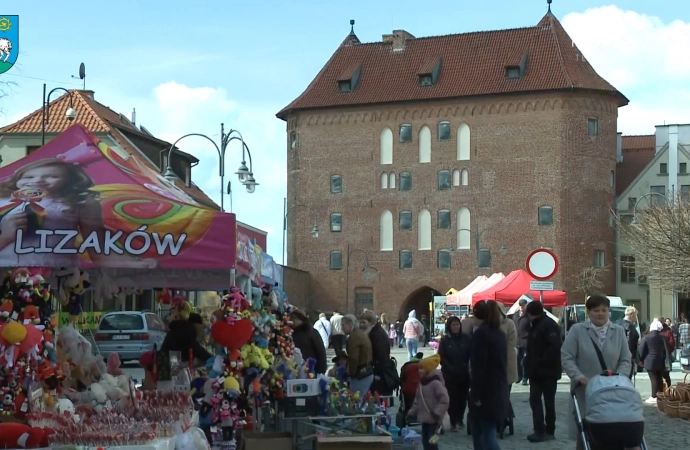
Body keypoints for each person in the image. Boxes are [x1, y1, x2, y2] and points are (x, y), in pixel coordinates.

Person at [0, 158, 156, 268]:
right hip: (6, 274)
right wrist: (5, 236)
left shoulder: (80, 203)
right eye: (29, 176)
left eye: (52, 176)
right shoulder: (3, 202)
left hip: (54, 276)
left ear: (70, 181)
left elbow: (98, 248)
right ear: (17, 180)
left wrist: (133, 263)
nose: (38, 180)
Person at [561, 295, 631, 450]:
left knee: (612, 431)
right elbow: (567, 356)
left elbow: (626, 359)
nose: (600, 313)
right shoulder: (578, 330)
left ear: (609, 312)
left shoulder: (618, 331)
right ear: (589, 312)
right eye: (596, 310)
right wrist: (579, 377)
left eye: (604, 310)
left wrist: (620, 378)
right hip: (586, 391)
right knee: (586, 432)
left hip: (613, 391)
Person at [469, 300, 508, 450]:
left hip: (486, 392)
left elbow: (479, 366)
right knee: (484, 430)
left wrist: (476, 394)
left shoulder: (482, 334)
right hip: (498, 388)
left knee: (485, 432)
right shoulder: (499, 333)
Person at [524, 301, 562, 442]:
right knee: (536, 400)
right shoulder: (536, 325)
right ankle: (539, 429)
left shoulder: (548, 325)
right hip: (536, 371)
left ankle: (548, 430)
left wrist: (537, 362)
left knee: (548, 402)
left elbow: (553, 348)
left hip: (547, 371)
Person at [406, 354, 449, 450]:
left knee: (431, 442)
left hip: (434, 419)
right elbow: (417, 401)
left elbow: (444, 400)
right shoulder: (421, 384)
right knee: (425, 441)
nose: (419, 371)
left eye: (421, 368)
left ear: (428, 370)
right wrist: (411, 412)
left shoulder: (436, 383)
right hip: (425, 419)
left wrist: (437, 412)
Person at [438, 315, 471, 431]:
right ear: (449, 326)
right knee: (452, 398)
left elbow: (470, 354)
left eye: (457, 324)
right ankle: (453, 420)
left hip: (464, 373)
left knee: (463, 398)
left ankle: (460, 419)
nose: (456, 327)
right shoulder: (445, 340)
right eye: (453, 325)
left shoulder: (466, 338)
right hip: (450, 374)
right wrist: (450, 367)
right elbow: (441, 356)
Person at [360, 310, 393, 395]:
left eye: (364, 322)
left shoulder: (377, 334)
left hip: (380, 372)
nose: (361, 325)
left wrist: (377, 373)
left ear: (370, 322)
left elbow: (381, 355)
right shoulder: (375, 331)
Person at [342, 314, 374, 398]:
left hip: (360, 375)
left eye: (343, 325)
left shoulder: (354, 337)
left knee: (356, 401)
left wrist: (351, 374)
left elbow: (353, 358)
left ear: (350, 324)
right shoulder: (360, 334)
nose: (342, 328)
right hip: (367, 371)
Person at [639, 319, 669, 403]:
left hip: (650, 361)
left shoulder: (647, 337)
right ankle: (660, 394)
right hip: (660, 360)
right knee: (659, 378)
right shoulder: (663, 337)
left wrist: (640, 359)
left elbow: (642, 350)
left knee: (653, 379)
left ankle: (654, 396)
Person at [290, 309, 327, 374]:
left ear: (300, 319)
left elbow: (320, 351)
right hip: (295, 369)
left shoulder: (311, 332)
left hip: (311, 369)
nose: (291, 321)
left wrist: (321, 370)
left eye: (294, 318)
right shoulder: (291, 333)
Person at [400, 352, 424, 419]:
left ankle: (408, 413)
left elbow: (402, 379)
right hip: (422, 391)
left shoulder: (406, 366)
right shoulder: (424, 366)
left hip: (409, 392)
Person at [513, 299, 530, 385]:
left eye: (523, 305)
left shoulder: (529, 316)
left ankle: (525, 377)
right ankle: (519, 376)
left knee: (525, 361)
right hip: (517, 341)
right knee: (517, 360)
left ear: (526, 305)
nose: (521, 307)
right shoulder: (515, 315)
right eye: (520, 305)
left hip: (526, 341)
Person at [623, 306, 640, 379]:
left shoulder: (618, 323)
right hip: (628, 358)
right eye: (636, 315)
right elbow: (629, 343)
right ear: (632, 315)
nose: (636, 318)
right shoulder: (629, 327)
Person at [658, 316, 675, 388]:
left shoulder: (668, 331)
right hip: (660, 355)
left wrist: (667, 351)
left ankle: (667, 390)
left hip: (664, 356)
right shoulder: (654, 330)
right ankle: (664, 390)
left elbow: (672, 343)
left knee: (665, 374)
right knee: (662, 375)